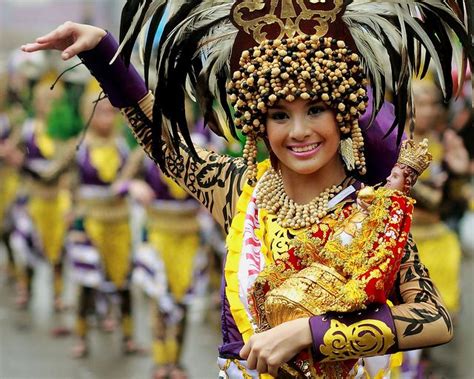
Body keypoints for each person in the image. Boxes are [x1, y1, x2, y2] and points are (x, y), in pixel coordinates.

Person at [21, 0, 470, 377]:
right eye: (279, 115)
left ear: (343, 116)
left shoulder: (373, 209)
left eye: (315, 109)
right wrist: (103, 52)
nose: (298, 131)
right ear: (258, 124)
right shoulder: (238, 190)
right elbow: (164, 141)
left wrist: (311, 333)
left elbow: (433, 319)